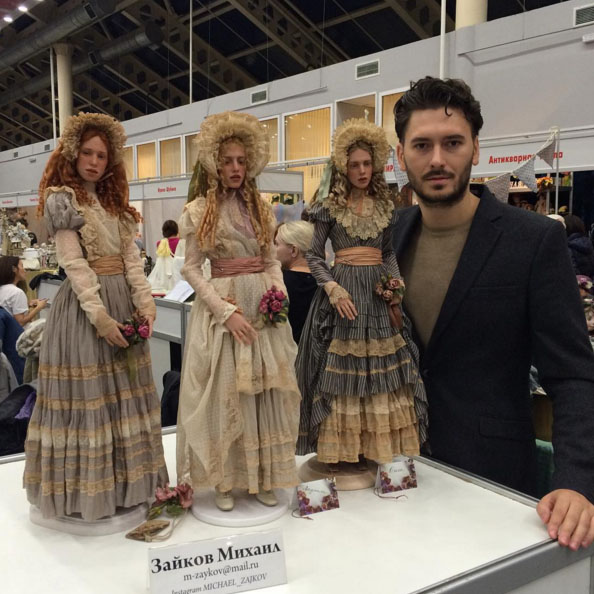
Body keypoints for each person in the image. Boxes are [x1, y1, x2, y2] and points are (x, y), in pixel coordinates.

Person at [392, 76, 594, 550]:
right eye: (421, 145)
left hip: (492, 481)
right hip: (394, 472)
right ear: (401, 156)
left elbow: (572, 374)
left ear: (476, 148)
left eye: (452, 143)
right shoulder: (385, 236)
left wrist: (576, 481)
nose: (437, 159)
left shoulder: (532, 240)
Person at [23, 112, 168, 521]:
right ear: (73, 153)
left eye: (101, 155)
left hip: (122, 301)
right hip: (85, 311)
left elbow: (132, 261)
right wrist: (100, 318)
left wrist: (146, 303)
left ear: (110, 160)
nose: (94, 162)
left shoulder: (114, 204)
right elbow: (74, 263)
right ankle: (84, 496)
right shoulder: (62, 199)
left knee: (125, 396)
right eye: (87, 153)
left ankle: (127, 488)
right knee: (90, 401)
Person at [176, 111, 301, 512]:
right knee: (226, 391)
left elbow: (271, 261)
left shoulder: (261, 209)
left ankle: (262, 474)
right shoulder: (199, 210)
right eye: (227, 161)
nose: (235, 168)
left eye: (241, 161)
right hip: (224, 310)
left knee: (264, 392)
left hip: (262, 310)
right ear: (215, 164)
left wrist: (278, 295)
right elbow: (191, 268)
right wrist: (222, 310)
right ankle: (226, 479)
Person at [296, 118, 427, 468]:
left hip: (377, 296)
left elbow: (387, 253)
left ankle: (371, 447)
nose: (362, 171)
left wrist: (396, 285)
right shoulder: (329, 206)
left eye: (367, 164)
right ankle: (341, 450)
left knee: (381, 372)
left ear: (375, 165)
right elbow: (313, 255)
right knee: (341, 371)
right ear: (344, 167)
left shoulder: (384, 206)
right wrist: (331, 287)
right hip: (344, 296)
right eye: (354, 165)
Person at [274, 220, 317, 343]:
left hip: (285, 351)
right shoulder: (328, 284)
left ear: (294, 250)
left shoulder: (278, 284)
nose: (273, 250)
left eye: (276, 244)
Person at [0, 256, 47, 326]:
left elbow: (8, 308)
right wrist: (39, 307)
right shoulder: (17, 292)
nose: (25, 270)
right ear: (14, 269)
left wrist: (27, 304)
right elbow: (20, 322)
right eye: (22, 266)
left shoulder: (3, 289)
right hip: (17, 332)